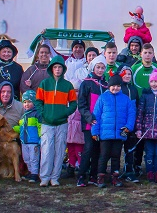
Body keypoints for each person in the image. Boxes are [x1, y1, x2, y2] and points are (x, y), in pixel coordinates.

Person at [35, 55, 78, 187]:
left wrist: (64, 113)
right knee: (47, 150)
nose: (58, 69)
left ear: (63, 69)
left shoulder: (68, 85)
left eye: (60, 67)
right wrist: (43, 114)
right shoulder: (44, 84)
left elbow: (73, 104)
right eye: (55, 67)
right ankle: (44, 177)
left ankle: (55, 177)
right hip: (47, 123)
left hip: (62, 123)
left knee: (59, 150)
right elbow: (38, 102)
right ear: (51, 69)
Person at [91, 73, 137, 188]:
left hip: (119, 133)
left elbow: (131, 114)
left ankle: (115, 176)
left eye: (118, 86)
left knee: (116, 155)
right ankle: (101, 176)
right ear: (109, 86)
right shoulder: (103, 98)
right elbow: (96, 115)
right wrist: (95, 131)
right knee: (104, 155)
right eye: (113, 86)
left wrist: (128, 127)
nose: (115, 88)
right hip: (105, 133)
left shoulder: (125, 99)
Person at [76, 54, 108, 187]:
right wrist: (90, 119)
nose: (100, 70)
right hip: (90, 123)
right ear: (93, 67)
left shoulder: (106, 85)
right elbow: (82, 105)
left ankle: (93, 175)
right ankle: (81, 175)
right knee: (88, 148)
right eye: (98, 67)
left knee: (98, 150)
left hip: (102, 124)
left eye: (102, 68)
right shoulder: (87, 83)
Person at [117, 66, 140, 183]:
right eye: (124, 74)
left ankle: (129, 171)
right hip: (119, 124)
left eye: (129, 74)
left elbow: (137, 106)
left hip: (131, 124)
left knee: (130, 149)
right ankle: (114, 171)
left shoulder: (134, 89)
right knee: (115, 149)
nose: (127, 76)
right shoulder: (117, 88)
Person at [13, 90, 42, 183]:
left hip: (33, 141)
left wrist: (41, 137)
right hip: (24, 141)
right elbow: (22, 128)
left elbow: (40, 126)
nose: (26, 104)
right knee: (26, 158)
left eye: (29, 102)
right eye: (25, 102)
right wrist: (13, 129)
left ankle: (35, 173)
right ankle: (30, 172)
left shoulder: (36, 114)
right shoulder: (23, 116)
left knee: (34, 158)